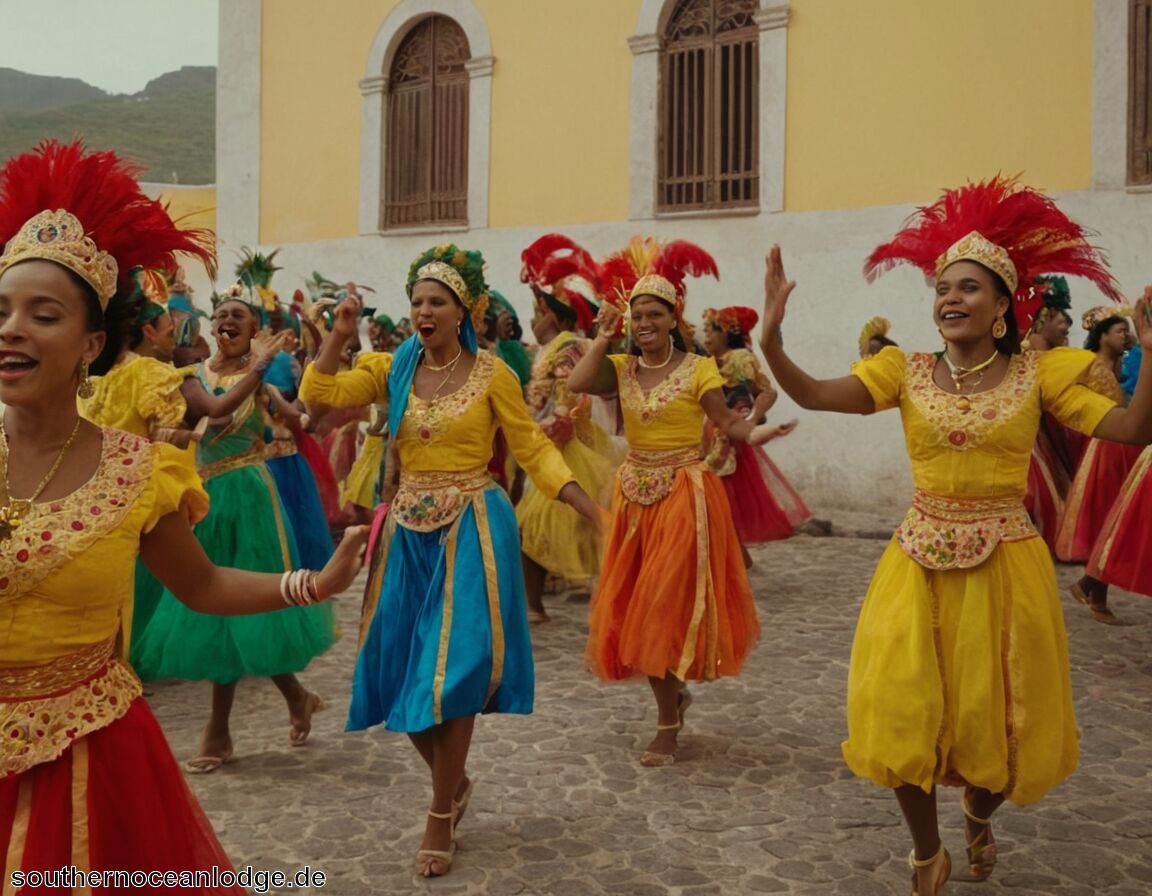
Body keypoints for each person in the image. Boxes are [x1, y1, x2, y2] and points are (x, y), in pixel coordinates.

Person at [758, 176, 1152, 895]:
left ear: (1003, 307)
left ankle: (977, 808)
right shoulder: (903, 372)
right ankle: (925, 853)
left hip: (1007, 565)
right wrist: (771, 338)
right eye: (943, 287)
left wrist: (1151, 353)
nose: (951, 298)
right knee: (903, 707)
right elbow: (814, 393)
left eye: (969, 287)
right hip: (918, 563)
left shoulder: (1042, 374)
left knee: (1003, 722)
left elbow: (1132, 427)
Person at [0, 139, 366, 884]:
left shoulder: (138, 471)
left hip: (92, 758)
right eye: (1, 310)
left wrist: (314, 585)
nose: (11, 328)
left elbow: (201, 587)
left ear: (91, 344)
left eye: (42, 314)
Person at [300, 244, 601, 878]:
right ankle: (454, 784)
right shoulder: (393, 367)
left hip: (472, 526)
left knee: (454, 670)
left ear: (464, 310)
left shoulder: (494, 373)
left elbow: (532, 449)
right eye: (416, 302)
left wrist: (584, 503)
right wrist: (340, 333)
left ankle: (439, 815)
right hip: (407, 530)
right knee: (394, 670)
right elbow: (320, 390)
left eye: (436, 301)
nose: (423, 311)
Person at [569, 237, 781, 769]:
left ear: (673, 318)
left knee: (663, 604)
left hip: (685, 494)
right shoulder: (619, 367)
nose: (644, 322)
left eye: (654, 314)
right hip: (634, 493)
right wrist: (601, 334)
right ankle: (672, 702)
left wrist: (754, 431)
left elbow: (727, 422)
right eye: (637, 315)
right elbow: (575, 381)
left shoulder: (698, 369)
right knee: (637, 607)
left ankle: (667, 724)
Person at [133, 290, 340, 772]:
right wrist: (171, 436)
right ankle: (294, 698)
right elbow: (209, 416)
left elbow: (305, 420)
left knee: (245, 608)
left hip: (251, 499)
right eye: (221, 314)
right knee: (213, 608)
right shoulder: (194, 378)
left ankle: (218, 732)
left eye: (238, 316)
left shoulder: (263, 387)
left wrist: (326, 351)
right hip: (206, 501)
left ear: (252, 332)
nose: (227, 320)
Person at [516, 233, 618, 622]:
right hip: (544, 443)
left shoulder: (569, 345)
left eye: (538, 308)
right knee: (546, 527)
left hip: (564, 445)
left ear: (554, 314)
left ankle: (535, 605)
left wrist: (556, 426)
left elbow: (576, 393)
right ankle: (536, 604)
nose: (533, 315)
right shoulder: (547, 347)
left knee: (537, 524)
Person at [1056, 307, 1143, 622]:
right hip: (1108, 448)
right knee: (1111, 516)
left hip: (1120, 446)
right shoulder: (1092, 364)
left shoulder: (1116, 363)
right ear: (1102, 335)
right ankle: (1090, 587)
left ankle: (1094, 595)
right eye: (1119, 331)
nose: (1125, 336)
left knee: (1113, 517)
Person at [701, 304, 809, 553]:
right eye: (705, 331)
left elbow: (767, 392)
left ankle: (730, 560)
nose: (706, 337)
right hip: (710, 434)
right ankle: (729, 558)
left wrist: (751, 418)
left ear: (728, 333)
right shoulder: (706, 362)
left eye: (711, 331)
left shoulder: (739, 359)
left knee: (722, 502)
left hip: (730, 440)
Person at [1020, 276, 1079, 552]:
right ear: (1044, 318)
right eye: (1062, 320)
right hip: (1027, 437)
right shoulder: (1029, 354)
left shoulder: (1054, 355)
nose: (1067, 326)